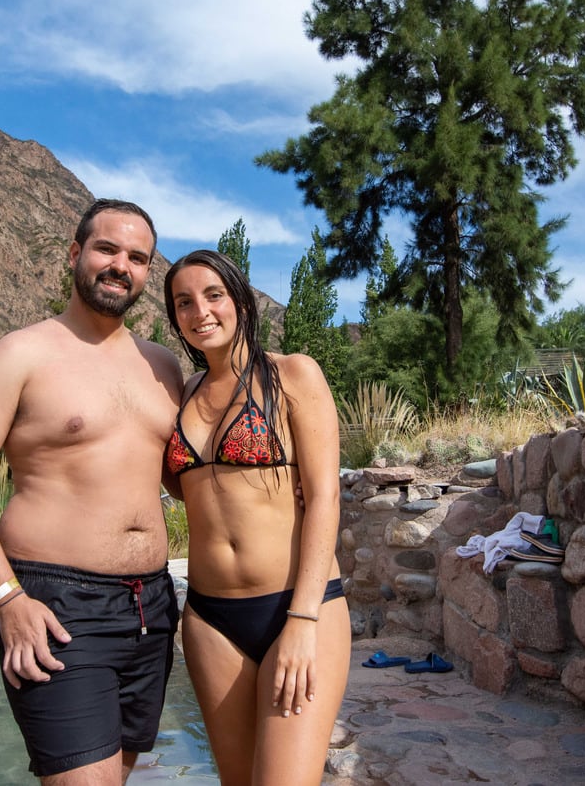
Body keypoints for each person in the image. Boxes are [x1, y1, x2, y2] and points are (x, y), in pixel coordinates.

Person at [0, 199, 184, 784]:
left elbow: (186, 479)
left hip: (150, 607)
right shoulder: (21, 355)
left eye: (138, 258)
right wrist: (7, 599)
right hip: (56, 606)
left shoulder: (161, 367)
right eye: (107, 249)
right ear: (76, 254)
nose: (121, 265)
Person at [162, 249, 350, 786]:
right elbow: (183, 485)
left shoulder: (292, 375)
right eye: (184, 302)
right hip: (209, 619)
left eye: (213, 295)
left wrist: (302, 620)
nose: (200, 311)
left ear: (240, 299)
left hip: (294, 607)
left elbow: (324, 499)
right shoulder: (183, 393)